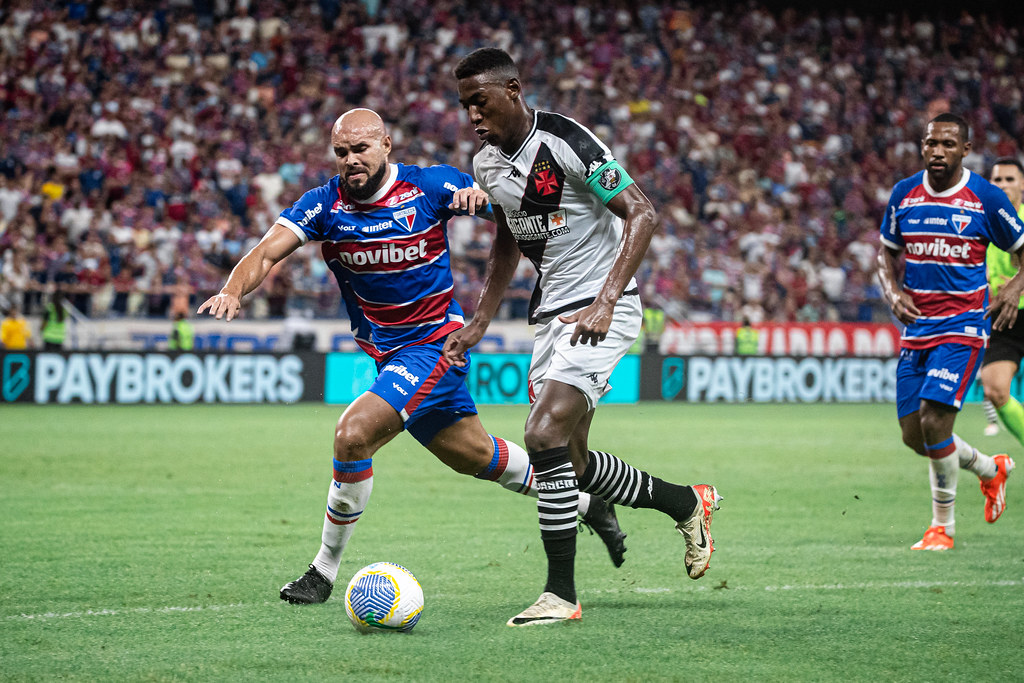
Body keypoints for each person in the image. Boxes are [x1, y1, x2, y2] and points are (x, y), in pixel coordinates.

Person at [197, 108, 625, 605]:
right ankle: (587, 502)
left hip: (436, 346)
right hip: (389, 355)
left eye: (361, 149)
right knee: (477, 456)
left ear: (386, 145)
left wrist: (482, 198)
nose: (351, 160)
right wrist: (232, 289)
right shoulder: (323, 205)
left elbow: (520, 215)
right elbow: (266, 252)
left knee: (353, 435)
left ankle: (322, 571)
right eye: (341, 152)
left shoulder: (430, 186)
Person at [450, 48, 721, 626]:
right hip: (552, 316)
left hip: (604, 308)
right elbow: (507, 239)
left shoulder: (567, 140)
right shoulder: (486, 165)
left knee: (541, 433)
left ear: (512, 90)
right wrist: (480, 319)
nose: (473, 115)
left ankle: (560, 594)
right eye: (465, 105)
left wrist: (606, 299)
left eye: (481, 101)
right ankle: (686, 502)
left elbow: (642, 212)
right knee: (568, 466)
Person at [876, 113, 1019, 551]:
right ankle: (990, 469)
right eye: (931, 143)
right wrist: (892, 292)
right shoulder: (904, 194)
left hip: (963, 326)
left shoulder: (986, 198)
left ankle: (943, 528)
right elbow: (885, 253)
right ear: (922, 146)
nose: (937, 151)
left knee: (935, 420)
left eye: (948, 144)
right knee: (915, 435)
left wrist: (1015, 287)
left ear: (965, 150)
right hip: (918, 327)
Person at [979, 157, 1024, 444]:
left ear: (1022, 184)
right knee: (994, 388)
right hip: (1005, 319)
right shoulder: (984, 222)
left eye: (1010, 179)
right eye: (998, 180)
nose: (1004, 185)